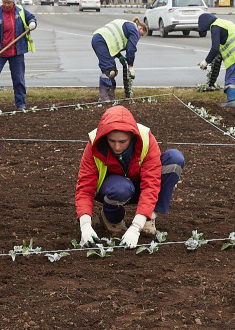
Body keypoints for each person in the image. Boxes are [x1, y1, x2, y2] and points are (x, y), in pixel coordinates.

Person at [74, 105, 184, 249]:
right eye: (112, 141)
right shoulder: (95, 142)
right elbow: (85, 187)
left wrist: (136, 227)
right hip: (115, 188)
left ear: (132, 137)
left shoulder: (145, 138)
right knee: (121, 188)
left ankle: (148, 217)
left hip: (140, 185)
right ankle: (112, 218)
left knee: (175, 158)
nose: (117, 147)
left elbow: (151, 184)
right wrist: (85, 225)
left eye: (122, 142)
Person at [196, 12, 235, 107]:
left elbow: (215, 47)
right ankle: (232, 100)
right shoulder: (222, 22)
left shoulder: (215, 26)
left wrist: (206, 61)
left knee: (230, 76)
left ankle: (231, 101)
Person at [91, 18, 147, 103]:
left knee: (113, 71)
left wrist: (120, 56)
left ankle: (111, 97)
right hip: (102, 41)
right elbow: (131, 48)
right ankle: (104, 99)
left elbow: (113, 42)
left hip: (100, 40)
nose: (139, 37)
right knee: (108, 70)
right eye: (141, 35)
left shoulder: (127, 24)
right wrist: (130, 66)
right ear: (141, 28)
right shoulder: (135, 30)